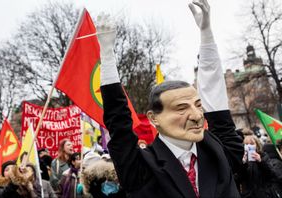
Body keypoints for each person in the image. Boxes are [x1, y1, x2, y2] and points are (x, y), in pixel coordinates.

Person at [98, 0, 244, 197]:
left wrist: (206, 33)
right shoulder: (141, 167)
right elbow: (118, 120)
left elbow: (215, 94)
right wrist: (107, 55)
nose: (196, 116)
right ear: (153, 118)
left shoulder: (220, 151)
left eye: (198, 105)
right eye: (181, 108)